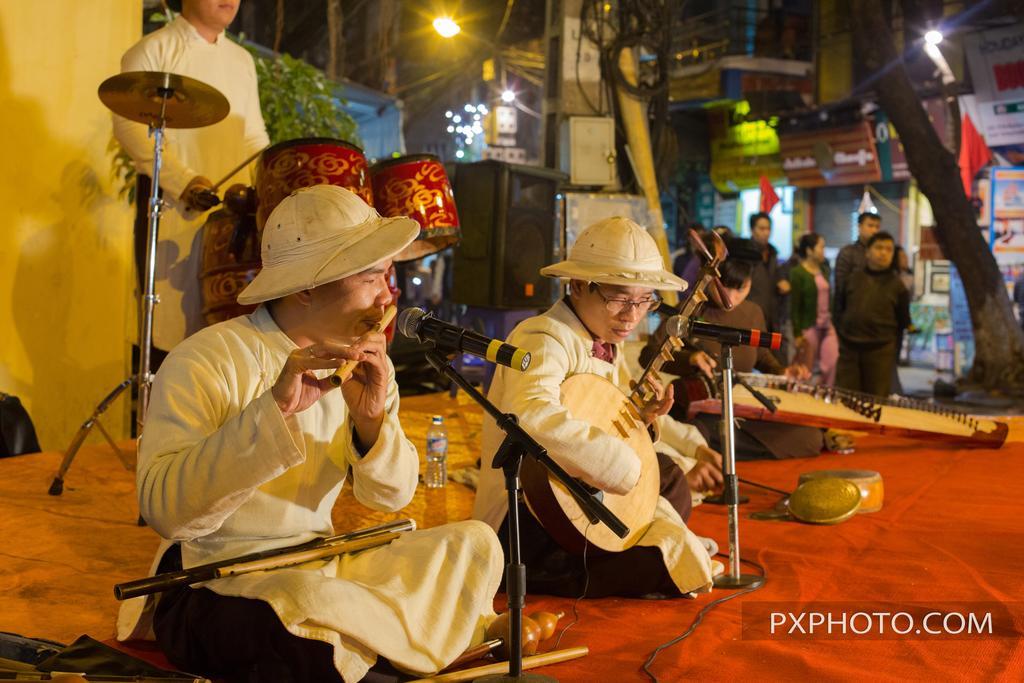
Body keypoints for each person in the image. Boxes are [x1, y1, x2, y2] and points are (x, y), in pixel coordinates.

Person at [117, 186, 503, 683]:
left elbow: (392, 498)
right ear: (305, 287)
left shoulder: (362, 361)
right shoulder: (206, 358)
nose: (389, 296)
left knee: (472, 543)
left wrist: (371, 424)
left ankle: (367, 647)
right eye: (370, 277)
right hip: (225, 585)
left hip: (323, 562)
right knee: (303, 602)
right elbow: (165, 511)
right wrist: (273, 411)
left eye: (387, 275)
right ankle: (397, 645)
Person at [473, 217, 723, 600]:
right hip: (530, 514)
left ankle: (650, 547)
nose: (632, 316)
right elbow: (533, 416)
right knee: (656, 557)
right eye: (619, 299)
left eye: (644, 301)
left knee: (668, 477)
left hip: (581, 497)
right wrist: (623, 467)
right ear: (576, 285)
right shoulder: (541, 338)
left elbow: (604, 413)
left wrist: (644, 420)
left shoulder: (605, 339)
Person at [113, 0, 270, 355]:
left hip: (234, 220)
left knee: (234, 332)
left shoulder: (241, 61)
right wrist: (185, 181)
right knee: (177, 334)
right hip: (178, 211)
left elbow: (254, 137)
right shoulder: (153, 49)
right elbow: (131, 128)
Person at [642, 238, 822, 461]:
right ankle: (718, 451)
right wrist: (690, 358)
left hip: (742, 404)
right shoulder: (690, 309)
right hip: (703, 408)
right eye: (726, 286)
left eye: (742, 288)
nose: (733, 297)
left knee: (810, 437)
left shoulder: (753, 312)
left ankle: (727, 451)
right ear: (714, 281)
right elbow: (648, 355)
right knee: (702, 434)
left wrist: (782, 371)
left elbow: (761, 356)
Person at [834, 231, 911, 397]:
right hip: (849, 349)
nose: (883, 253)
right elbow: (838, 309)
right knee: (845, 397)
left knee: (876, 400)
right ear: (867, 252)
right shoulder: (852, 278)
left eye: (888, 249)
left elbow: (903, 320)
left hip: (880, 351)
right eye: (878, 248)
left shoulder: (898, 286)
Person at [789, 233, 838, 386]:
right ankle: (803, 398)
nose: (824, 250)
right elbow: (794, 305)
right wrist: (797, 333)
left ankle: (824, 394)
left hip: (827, 325)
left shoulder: (825, 270)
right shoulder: (797, 273)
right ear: (810, 250)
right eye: (821, 247)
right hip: (809, 326)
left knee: (831, 361)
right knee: (806, 367)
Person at [746, 212, 790, 362]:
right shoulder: (745, 252)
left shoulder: (772, 253)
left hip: (772, 317)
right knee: (751, 358)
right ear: (752, 230)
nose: (766, 232)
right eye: (761, 228)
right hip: (752, 315)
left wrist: (782, 282)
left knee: (771, 360)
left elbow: (775, 277)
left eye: (768, 228)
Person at [833, 211, 882, 305]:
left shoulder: (880, 254)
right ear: (859, 227)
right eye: (870, 226)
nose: (874, 231)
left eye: (877, 227)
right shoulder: (847, 253)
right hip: (853, 307)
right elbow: (841, 287)